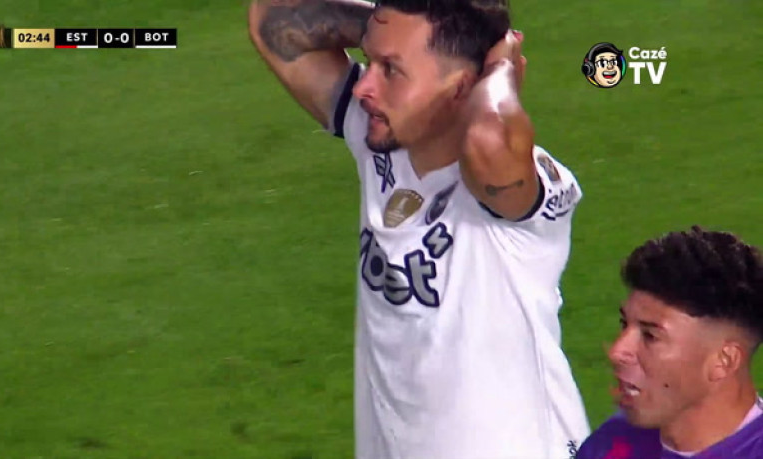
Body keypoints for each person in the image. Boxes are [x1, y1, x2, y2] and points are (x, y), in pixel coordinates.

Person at [247, 0, 590, 457]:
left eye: (391, 70)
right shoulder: (383, 141)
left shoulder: (521, 191)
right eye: (369, 62)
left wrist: (500, 67)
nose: (365, 86)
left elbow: (487, 138)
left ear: (462, 86)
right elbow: (271, 20)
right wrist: (386, 31)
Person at [577, 227, 763, 459]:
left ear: (723, 361)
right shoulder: (611, 442)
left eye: (650, 336)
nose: (616, 351)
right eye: (624, 324)